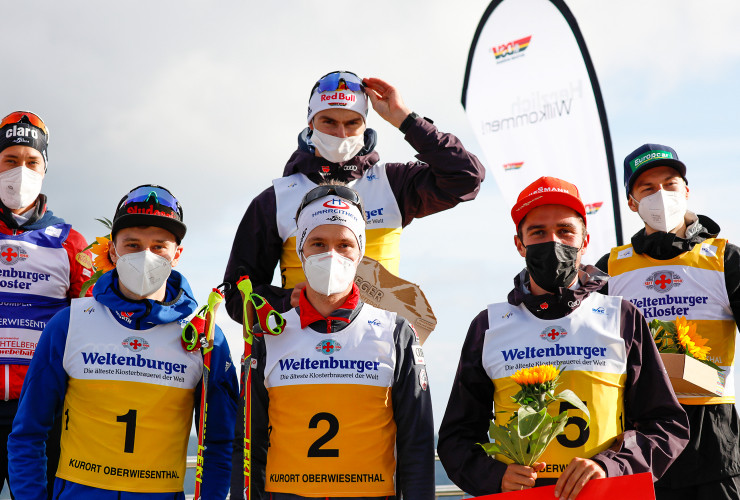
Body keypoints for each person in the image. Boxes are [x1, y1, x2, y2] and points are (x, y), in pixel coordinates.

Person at [437, 176, 689, 498]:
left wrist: (612, 466)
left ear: (584, 242)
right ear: (519, 244)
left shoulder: (621, 317)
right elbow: (457, 436)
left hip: (606, 493)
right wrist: (493, 476)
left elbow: (666, 424)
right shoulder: (489, 325)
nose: (553, 241)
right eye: (538, 232)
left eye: (565, 231)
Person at [7, 185, 238, 499]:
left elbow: (221, 443)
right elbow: (28, 434)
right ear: (112, 252)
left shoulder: (204, 337)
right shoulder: (69, 324)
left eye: (159, 246)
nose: (146, 256)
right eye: (132, 244)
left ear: (177, 255)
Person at [223, 70, 485, 319]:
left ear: (365, 125)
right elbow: (237, 296)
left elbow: (466, 178)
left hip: (377, 348)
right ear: (310, 123)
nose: (342, 134)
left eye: (352, 123)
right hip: (300, 352)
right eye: (329, 122)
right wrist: (286, 301)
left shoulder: (391, 184)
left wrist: (406, 120)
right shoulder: (275, 199)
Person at [249, 184, 434, 499]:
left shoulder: (394, 331)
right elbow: (248, 443)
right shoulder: (270, 335)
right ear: (301, 251)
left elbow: (416, 443)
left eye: (344, 244)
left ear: (360, 252)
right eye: (318, 243)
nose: (330, 255)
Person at [595, 144, 740, 499]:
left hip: (711, 435)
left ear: (686, 191)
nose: (661, 195)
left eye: (671, 184)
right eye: (647, 188)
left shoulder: (725, 258)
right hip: (637, 440)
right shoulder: (609, 268)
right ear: (631, 202)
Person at [0, 111, 93, 499]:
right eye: (10, 160)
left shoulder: (72, 242)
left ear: (44, 168)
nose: (21, 170)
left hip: (42, 409)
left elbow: (90, 322)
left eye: (31, 161)